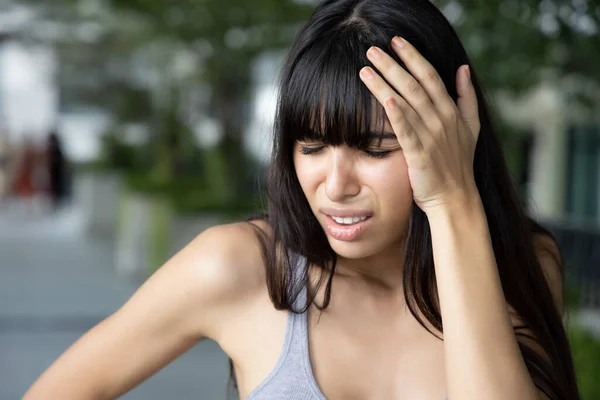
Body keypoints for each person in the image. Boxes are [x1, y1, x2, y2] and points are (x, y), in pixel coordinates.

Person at [24, 1, 579, 399]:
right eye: (311, 146)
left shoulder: (522, 264)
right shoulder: (238, 267)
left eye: (376, 149)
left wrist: (454, 204)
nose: (335, 185)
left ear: (450, 139)